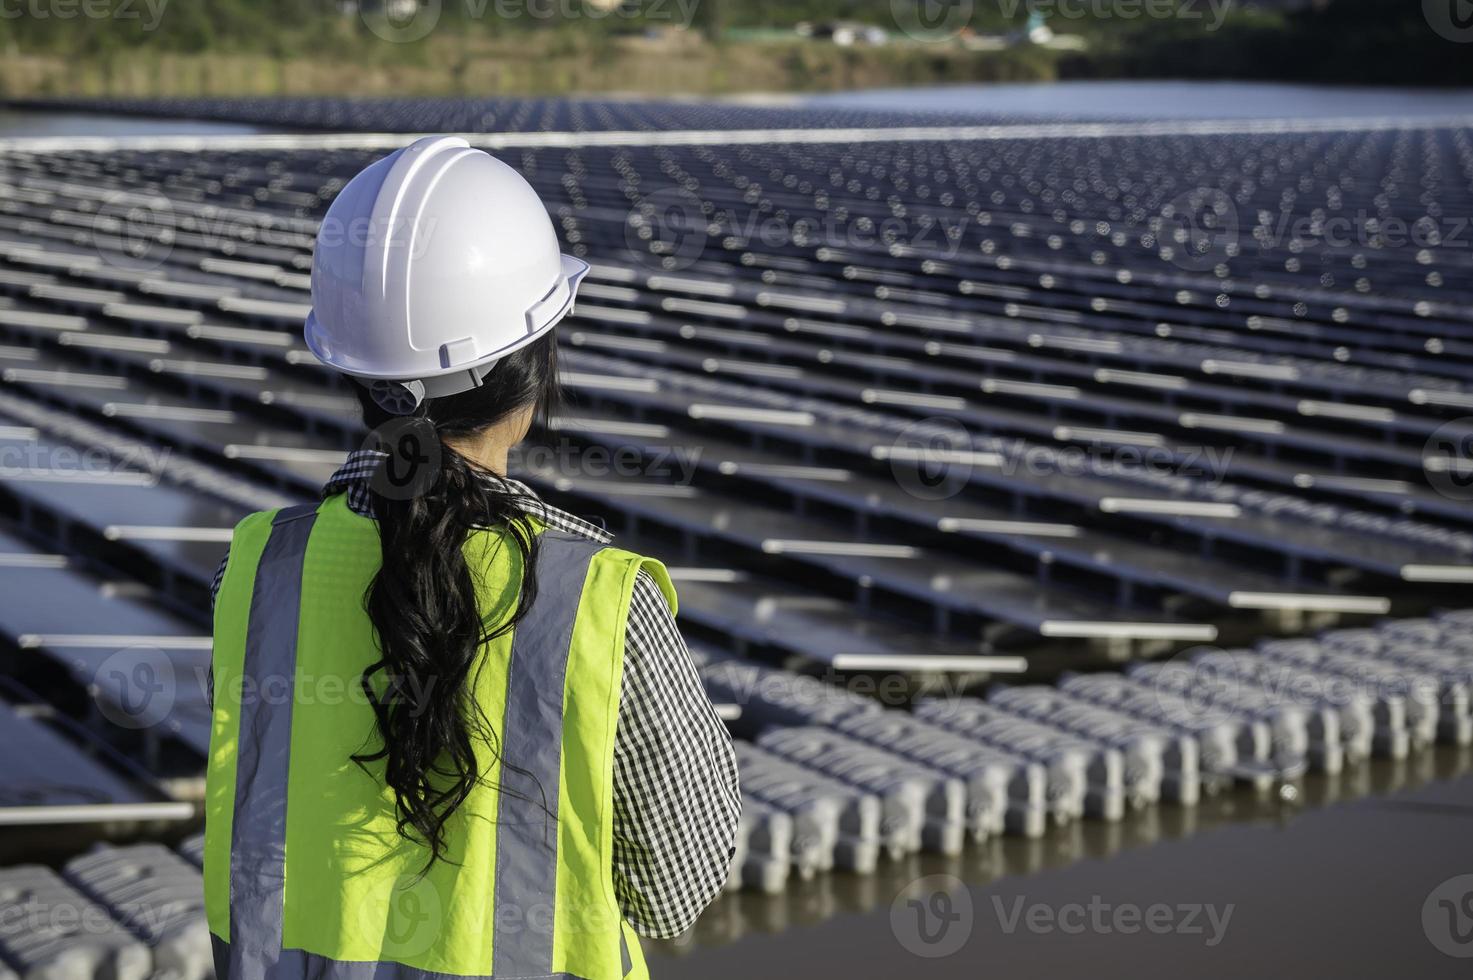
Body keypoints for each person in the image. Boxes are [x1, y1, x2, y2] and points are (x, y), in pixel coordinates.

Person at [204, 136, 740, 980]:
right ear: (532, 374)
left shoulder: (258, 570)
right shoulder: (595, 601)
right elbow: (676, 888)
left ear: (353, 375)